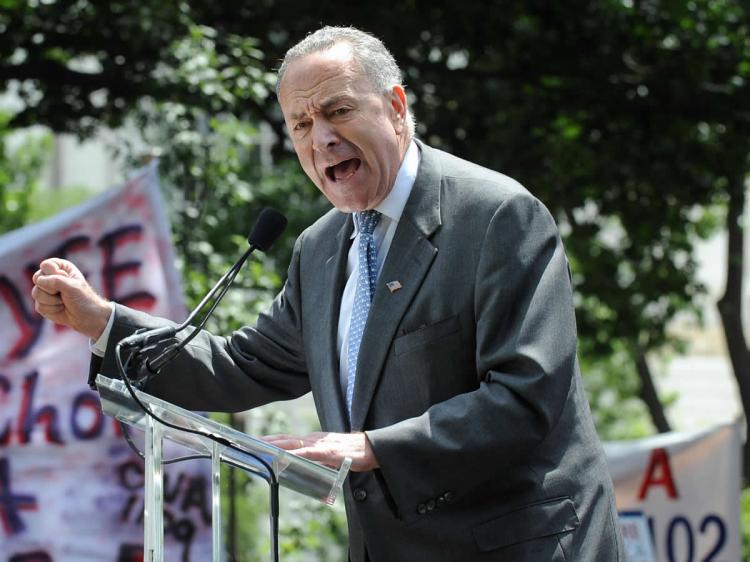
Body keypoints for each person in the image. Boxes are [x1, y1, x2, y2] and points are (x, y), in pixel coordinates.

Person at [32, 26, 624, 562]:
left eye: (338, 111)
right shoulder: (319, 249)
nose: (322, 139)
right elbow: (244, 365)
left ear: (396, 108)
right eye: (301, 125)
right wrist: (103, 322)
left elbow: (523, 399)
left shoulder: (497, 217)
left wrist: (371, 447)